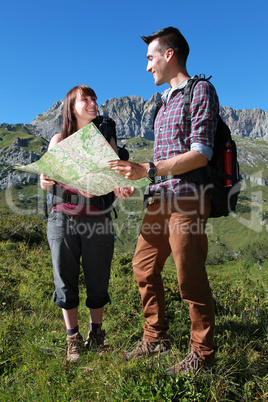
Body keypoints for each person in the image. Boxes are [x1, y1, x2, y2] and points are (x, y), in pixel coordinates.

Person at [109, 27, 219, 375]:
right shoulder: (161, 103)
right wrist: (137, 175)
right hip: (159, 199)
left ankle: (203, 357)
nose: (146, 67)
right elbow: (158, 161)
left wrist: (148, 168)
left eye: (149, 58)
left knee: (189, 276)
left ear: (169, 54)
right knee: (143, 268)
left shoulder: (200, 90)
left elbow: (201, 153)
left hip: (187, 198)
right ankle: (155, 339)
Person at [40, 85, 128, 362]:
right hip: (62, 219)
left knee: (97, 278)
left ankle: (97, 333)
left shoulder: (106, 139)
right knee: (64, 280)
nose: (93, 103)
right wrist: (44, 180)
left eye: (94, 99)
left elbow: (117, 178)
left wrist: (122, 188)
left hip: (97, 220)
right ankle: (72, 338)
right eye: (86, 100)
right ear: (71, 107)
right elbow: (45, 180)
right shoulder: (57, 140)